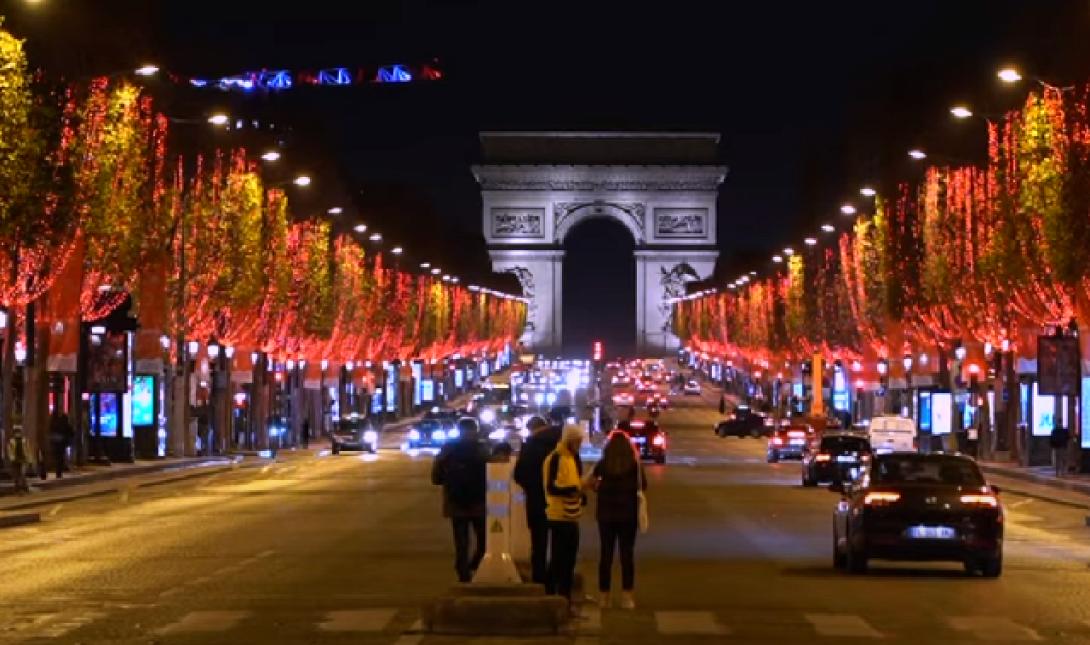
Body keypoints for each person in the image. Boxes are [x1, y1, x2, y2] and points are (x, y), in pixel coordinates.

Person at [589, 431, 646, 609]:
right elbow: (643, 485)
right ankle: (627, 596)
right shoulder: (634, 465)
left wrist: (599, 487)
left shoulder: (603, 464)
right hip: (628, 515)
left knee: (606, 555)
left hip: (606, 515)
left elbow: (592, 482)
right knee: (626, 555)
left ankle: (604, 596)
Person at [432, 417, 489, 582]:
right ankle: (476, 564)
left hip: (455, 503)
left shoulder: (448, 449)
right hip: (479, 502)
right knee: (483, 540)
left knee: (461, 541)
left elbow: (436, 477)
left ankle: (463, 572)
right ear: (476, 429)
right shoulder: (483, 449)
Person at [543, 424, 589, 610]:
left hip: (572, 515)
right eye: (577, 441)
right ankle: (552, 596)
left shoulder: (573, 458)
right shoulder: (555, 458)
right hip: (558, 515)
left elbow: (575, 482)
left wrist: (582, 493)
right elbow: (551, 487)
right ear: (569, 440)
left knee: (569, 560)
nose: (579, 444)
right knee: (558, 559)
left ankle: (565, 597)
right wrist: (573, 491)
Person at [513, 415, 556, 586]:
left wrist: (531, 488)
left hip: (537, 501)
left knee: (539, 541)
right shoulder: (561, 443)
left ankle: (539, 577)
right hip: (559, 501)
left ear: (532, 429)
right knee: (560, 540)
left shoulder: (530, 446)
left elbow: (519, 474)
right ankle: (557, 576)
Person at [49, 412, 74, 479]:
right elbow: (71, 432)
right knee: (60, 458)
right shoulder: (65, 424)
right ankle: (59, 472)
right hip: (62, 443)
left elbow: (50, 431)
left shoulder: (54, 423)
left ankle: (58, 471)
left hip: (56, 443)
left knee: (57, 457)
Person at [7, 427, 31, 493]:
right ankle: (20, 487)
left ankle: (22, 487)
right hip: (15, 460)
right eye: (16, 433)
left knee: (22, 473)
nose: (18, 434)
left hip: (23, 459)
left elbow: (28, 450)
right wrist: (11, 458)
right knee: (16, 474)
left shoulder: (25, 440)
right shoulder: (11, 441)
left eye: (19, 432)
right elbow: (9, 451)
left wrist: (29, 459)